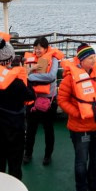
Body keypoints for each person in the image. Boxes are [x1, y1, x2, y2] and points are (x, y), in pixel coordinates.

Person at [58, 44, 96, 191]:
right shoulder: (70, 78)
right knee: (81, 161)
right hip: (80, 128)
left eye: (94, 57)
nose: (94, 60)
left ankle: (95, 188)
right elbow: (62, 100)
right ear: (81, 61)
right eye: (90, 58)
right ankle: (81, 190)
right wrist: (77, 113)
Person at [0, 39, 35, 179]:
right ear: (11, 59)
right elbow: (31, 97)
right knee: (15, 162)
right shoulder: (16, 82)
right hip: (15, 126)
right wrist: (25, 75)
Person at [24, 36, 63, 165]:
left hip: (48, 101)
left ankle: (48, 155)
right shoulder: (31, 59)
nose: (37, 51)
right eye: (35, 48)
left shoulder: (53, 59)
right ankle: (28, 154)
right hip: (33, 100)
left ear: (46, 48)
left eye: (39, 48)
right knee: (30, 130)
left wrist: (31, 75)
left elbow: (51, 76)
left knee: (48, 129)